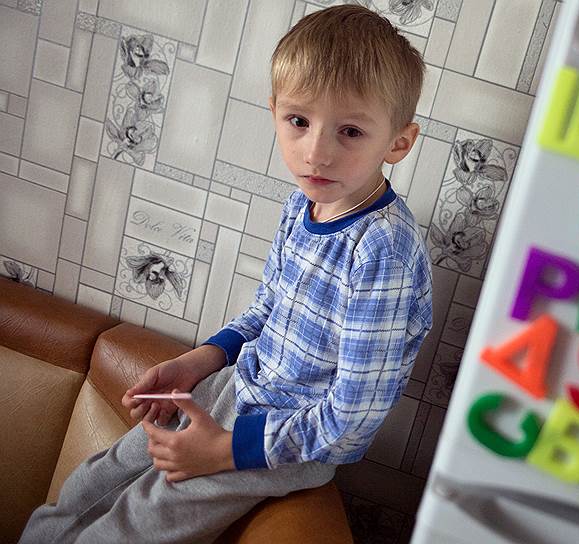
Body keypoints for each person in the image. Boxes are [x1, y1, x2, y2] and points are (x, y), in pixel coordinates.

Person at [20, 5, 432, 543]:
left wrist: (227, 449)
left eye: (350, 131)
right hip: (235, 386)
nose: (316, 153)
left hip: (281, 439)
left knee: (133, 525)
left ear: (398, 143)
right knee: (93, 482)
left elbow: (351, 421)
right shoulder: (301, 206)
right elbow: (268, 311)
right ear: (275, 112)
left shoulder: (383, 250)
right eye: (299, 121)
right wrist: (201, 359)